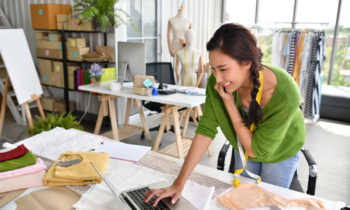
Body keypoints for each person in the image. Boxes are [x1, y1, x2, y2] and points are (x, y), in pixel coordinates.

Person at [144, 23, 305, 207]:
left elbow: (256, 150)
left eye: (223, 69)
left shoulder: (286, 93)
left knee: (271, 205)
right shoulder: (219, 81)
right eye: (212, 68)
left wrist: (229, 103)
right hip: (244, 145)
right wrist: (178, 183)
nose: (217, 78)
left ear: (247, 63)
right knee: (245, 202)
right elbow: (205, 130)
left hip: (280, 151)